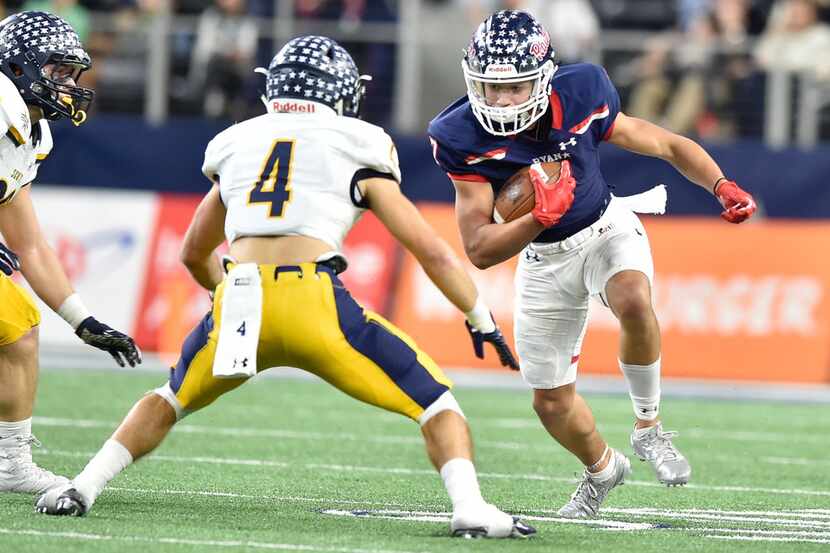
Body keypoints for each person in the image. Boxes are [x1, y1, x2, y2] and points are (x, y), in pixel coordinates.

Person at [36, 35, 536, 539]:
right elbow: (430, 250)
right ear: (343, 90)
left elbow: (193, 252)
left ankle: (81, 486)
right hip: (312, 300)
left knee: (170, 397)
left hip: (242, 293)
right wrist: (479, 317)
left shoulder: (238, 140)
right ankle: (469, 507)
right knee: (437, 404)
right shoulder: (356, 139)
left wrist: (230, 304)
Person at [427, 10, 756, 518]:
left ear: (542, 77)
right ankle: (603, 468)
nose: (500, 100)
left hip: (606, 226)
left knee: (632, 297)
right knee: (550, 404)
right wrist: (539, 217)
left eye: (514, 88)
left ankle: (649, 428)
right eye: (490, 88)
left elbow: (665, 143)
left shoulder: (581, 91)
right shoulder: (459, 135)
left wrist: (720, 183)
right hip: (542, 258)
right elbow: (479, 248)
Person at [0, 11, 142, 495]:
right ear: (19, 67)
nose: (68, 85)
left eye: (70, 73)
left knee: (17, 326)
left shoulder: (31, 130)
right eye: (57, 71)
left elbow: (30, 245)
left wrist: (84, 321)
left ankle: (10, 463)